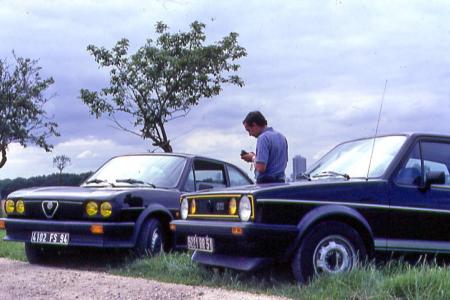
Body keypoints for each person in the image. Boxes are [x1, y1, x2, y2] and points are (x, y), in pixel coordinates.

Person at [241, 111, 288, 183]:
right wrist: (257, 157)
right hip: (281, 183)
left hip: (266, 184)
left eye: (249, 130)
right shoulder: (282, 137)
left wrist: (252, 158)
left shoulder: (263, 138)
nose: (250, 134)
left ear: (254, 125)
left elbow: (261, 168)